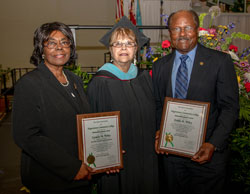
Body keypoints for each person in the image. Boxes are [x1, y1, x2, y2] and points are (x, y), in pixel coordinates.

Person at [153, 10, 239, 194]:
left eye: (187, 28)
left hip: (207, 157)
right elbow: (158, 104)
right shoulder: (160, 66)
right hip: (172, 158)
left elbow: (230, 108)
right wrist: (160, 130)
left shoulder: (220, 62)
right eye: (176, 29)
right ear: (170, 33)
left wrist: (213, 144)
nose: (182, 34)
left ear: (197, 30)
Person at [12, 22, 94, 194]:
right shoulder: (29, 84)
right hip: (51, 179)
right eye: (51, 43)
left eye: (65, 42)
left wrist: (105, 151)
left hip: (81, 175)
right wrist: (71, 167)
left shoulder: (74, 80)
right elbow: (27, 136)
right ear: (41, 50)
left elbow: (84, 123)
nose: (60, 48)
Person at [87, 16, 159, 194]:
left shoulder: (144, 78)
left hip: (147, 154)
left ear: (136, 48)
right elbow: (94, 125)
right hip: (118, 158)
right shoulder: (101, 82)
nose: (124, 48)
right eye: (117, 44)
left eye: (129, 43)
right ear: (110, 49)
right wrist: (105, 157)